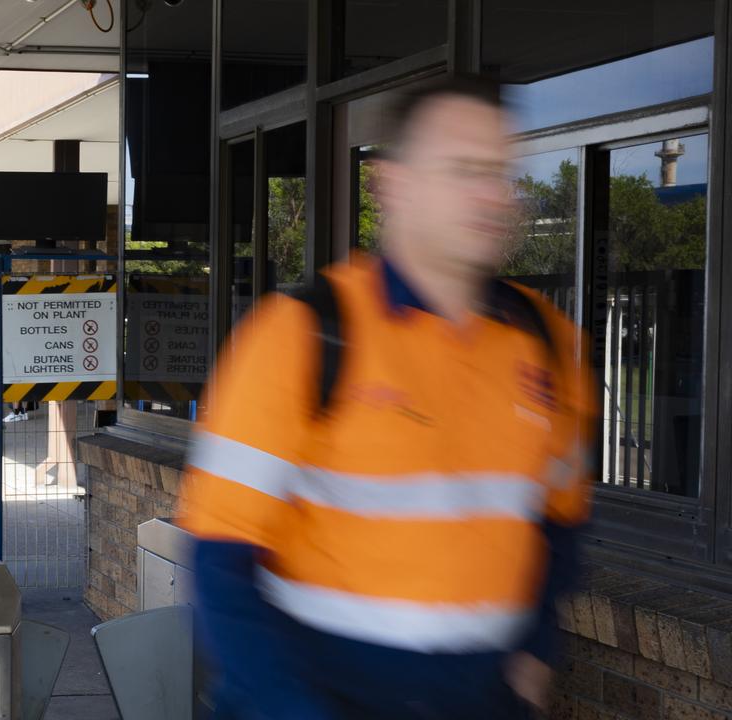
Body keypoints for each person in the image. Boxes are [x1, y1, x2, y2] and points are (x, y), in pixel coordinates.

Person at [179, 75, 595, 719]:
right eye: (463, 169)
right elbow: (220, 564)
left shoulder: (549, 344)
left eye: (500, 172)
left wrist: (535, 651)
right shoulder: (300, 338)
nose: (492, 194)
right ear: (392, 185)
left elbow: (559, 524)